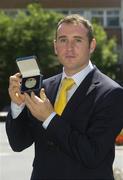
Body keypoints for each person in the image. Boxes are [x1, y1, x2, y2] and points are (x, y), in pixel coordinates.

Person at [6, 14, 123, 180]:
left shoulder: (112, 93)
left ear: (92, 45)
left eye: (77, 40)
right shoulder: (43, 88)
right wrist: (17, 106)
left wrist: (49, 118)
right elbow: (18, 144)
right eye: (62, 40)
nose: (69, 47)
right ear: (55, 47)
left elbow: (92, 154)